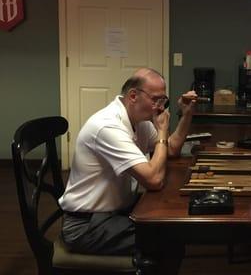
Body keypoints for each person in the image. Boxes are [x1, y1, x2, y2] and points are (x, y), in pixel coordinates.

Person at [59, 67, 197, 256]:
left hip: (115, 212)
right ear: (133, 96)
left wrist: (186, 114)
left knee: (169, 225)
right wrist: (163, 131)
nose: (161, 107)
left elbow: (170, 149)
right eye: (156, 100)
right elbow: (154, 180)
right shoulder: (108, 126)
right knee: (169, 239)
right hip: (86, 225)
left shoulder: (140, 121)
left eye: (163, 100)